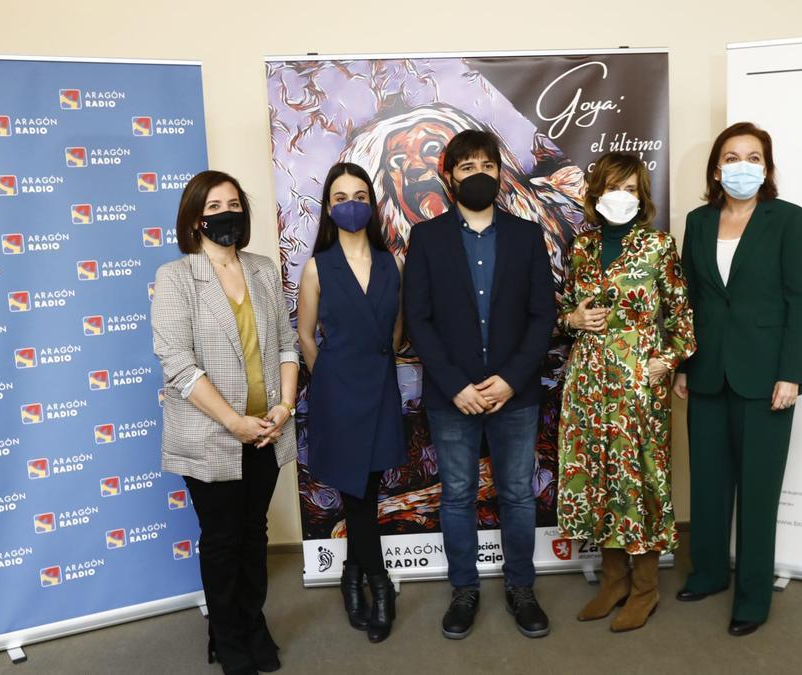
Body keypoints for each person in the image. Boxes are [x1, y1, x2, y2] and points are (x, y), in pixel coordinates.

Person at [403, 129, 556, 640]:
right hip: (454, 397)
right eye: (466, 167)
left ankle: (521, 588)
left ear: (500, 172)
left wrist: (511, 380)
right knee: (458, 495)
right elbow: (418, 320)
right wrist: (455, 385)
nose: (478, 175)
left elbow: (542, 316)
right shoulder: (426, 238)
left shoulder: (526, 236)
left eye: (486, 166)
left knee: (516, 494)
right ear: (449, 177)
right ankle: (464, 590)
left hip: (516, 395)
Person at [152, 171, 299, 674]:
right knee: (222, 539)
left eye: (234, 203)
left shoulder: (262, 269)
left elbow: (286, 345)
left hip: (268, 430)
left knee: (254, 533)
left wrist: (284, 407)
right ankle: (227, 636)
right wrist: (235, 421)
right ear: (197, 218)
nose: (227, 213)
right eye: (215, 206)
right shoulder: (176, 277)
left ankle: (252, 622)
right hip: (212, 434)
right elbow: (178, 364)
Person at [674, 122, 802, 637]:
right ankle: (709, 573)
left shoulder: (789, 221)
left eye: (753, 157)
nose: (742, 165)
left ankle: (753, 596)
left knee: (758, 492)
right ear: (717, 168)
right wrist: (685, 364)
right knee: (709, 487)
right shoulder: (698, 220)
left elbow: (801, 302)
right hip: (708, 373)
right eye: (732, 157)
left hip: (766, 378)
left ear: (766, 167)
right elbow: (688, 301)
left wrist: (791, 373)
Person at [557, 152, 696, 632]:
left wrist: (668, 359)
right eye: (614, 187)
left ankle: (644, 586)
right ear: (596, 194)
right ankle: (611, 581)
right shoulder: (581, 247)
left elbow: (682, 317)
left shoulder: (658, 245)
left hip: (640, 381)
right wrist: (572, 320)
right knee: (599, 476)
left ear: (643, 196)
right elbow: (563, 310)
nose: (623, 197)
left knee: (639, 477)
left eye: (632, 189)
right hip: (589, 379)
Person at [297, 163, 407, 643]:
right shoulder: (317, 266)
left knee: (369, 491)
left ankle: (350, 575)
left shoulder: (393, 264)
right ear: (327, 206)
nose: (350, 203)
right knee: (356, 496)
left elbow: (398, 332)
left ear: (372, 202)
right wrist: (330, 376)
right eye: (340, 196)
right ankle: (378, 585)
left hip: (380, 388)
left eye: (359, 194)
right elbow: (304, 334)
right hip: (337, 394)